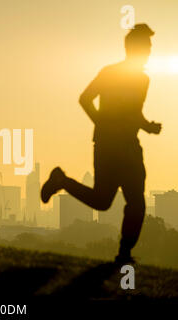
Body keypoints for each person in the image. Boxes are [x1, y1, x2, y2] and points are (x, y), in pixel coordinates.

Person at [41, 24, 162, 264]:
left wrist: (147, 126)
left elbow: (133, 113)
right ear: (134, 48)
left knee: (136, 203)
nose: (150, 50)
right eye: (146, 45)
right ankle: (61, 180)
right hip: (108, 146)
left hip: (130, 145)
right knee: (102, 201)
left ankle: (124, 254)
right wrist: (102, 123)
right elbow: (85, 98)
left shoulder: (143, 80)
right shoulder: (109, 73)